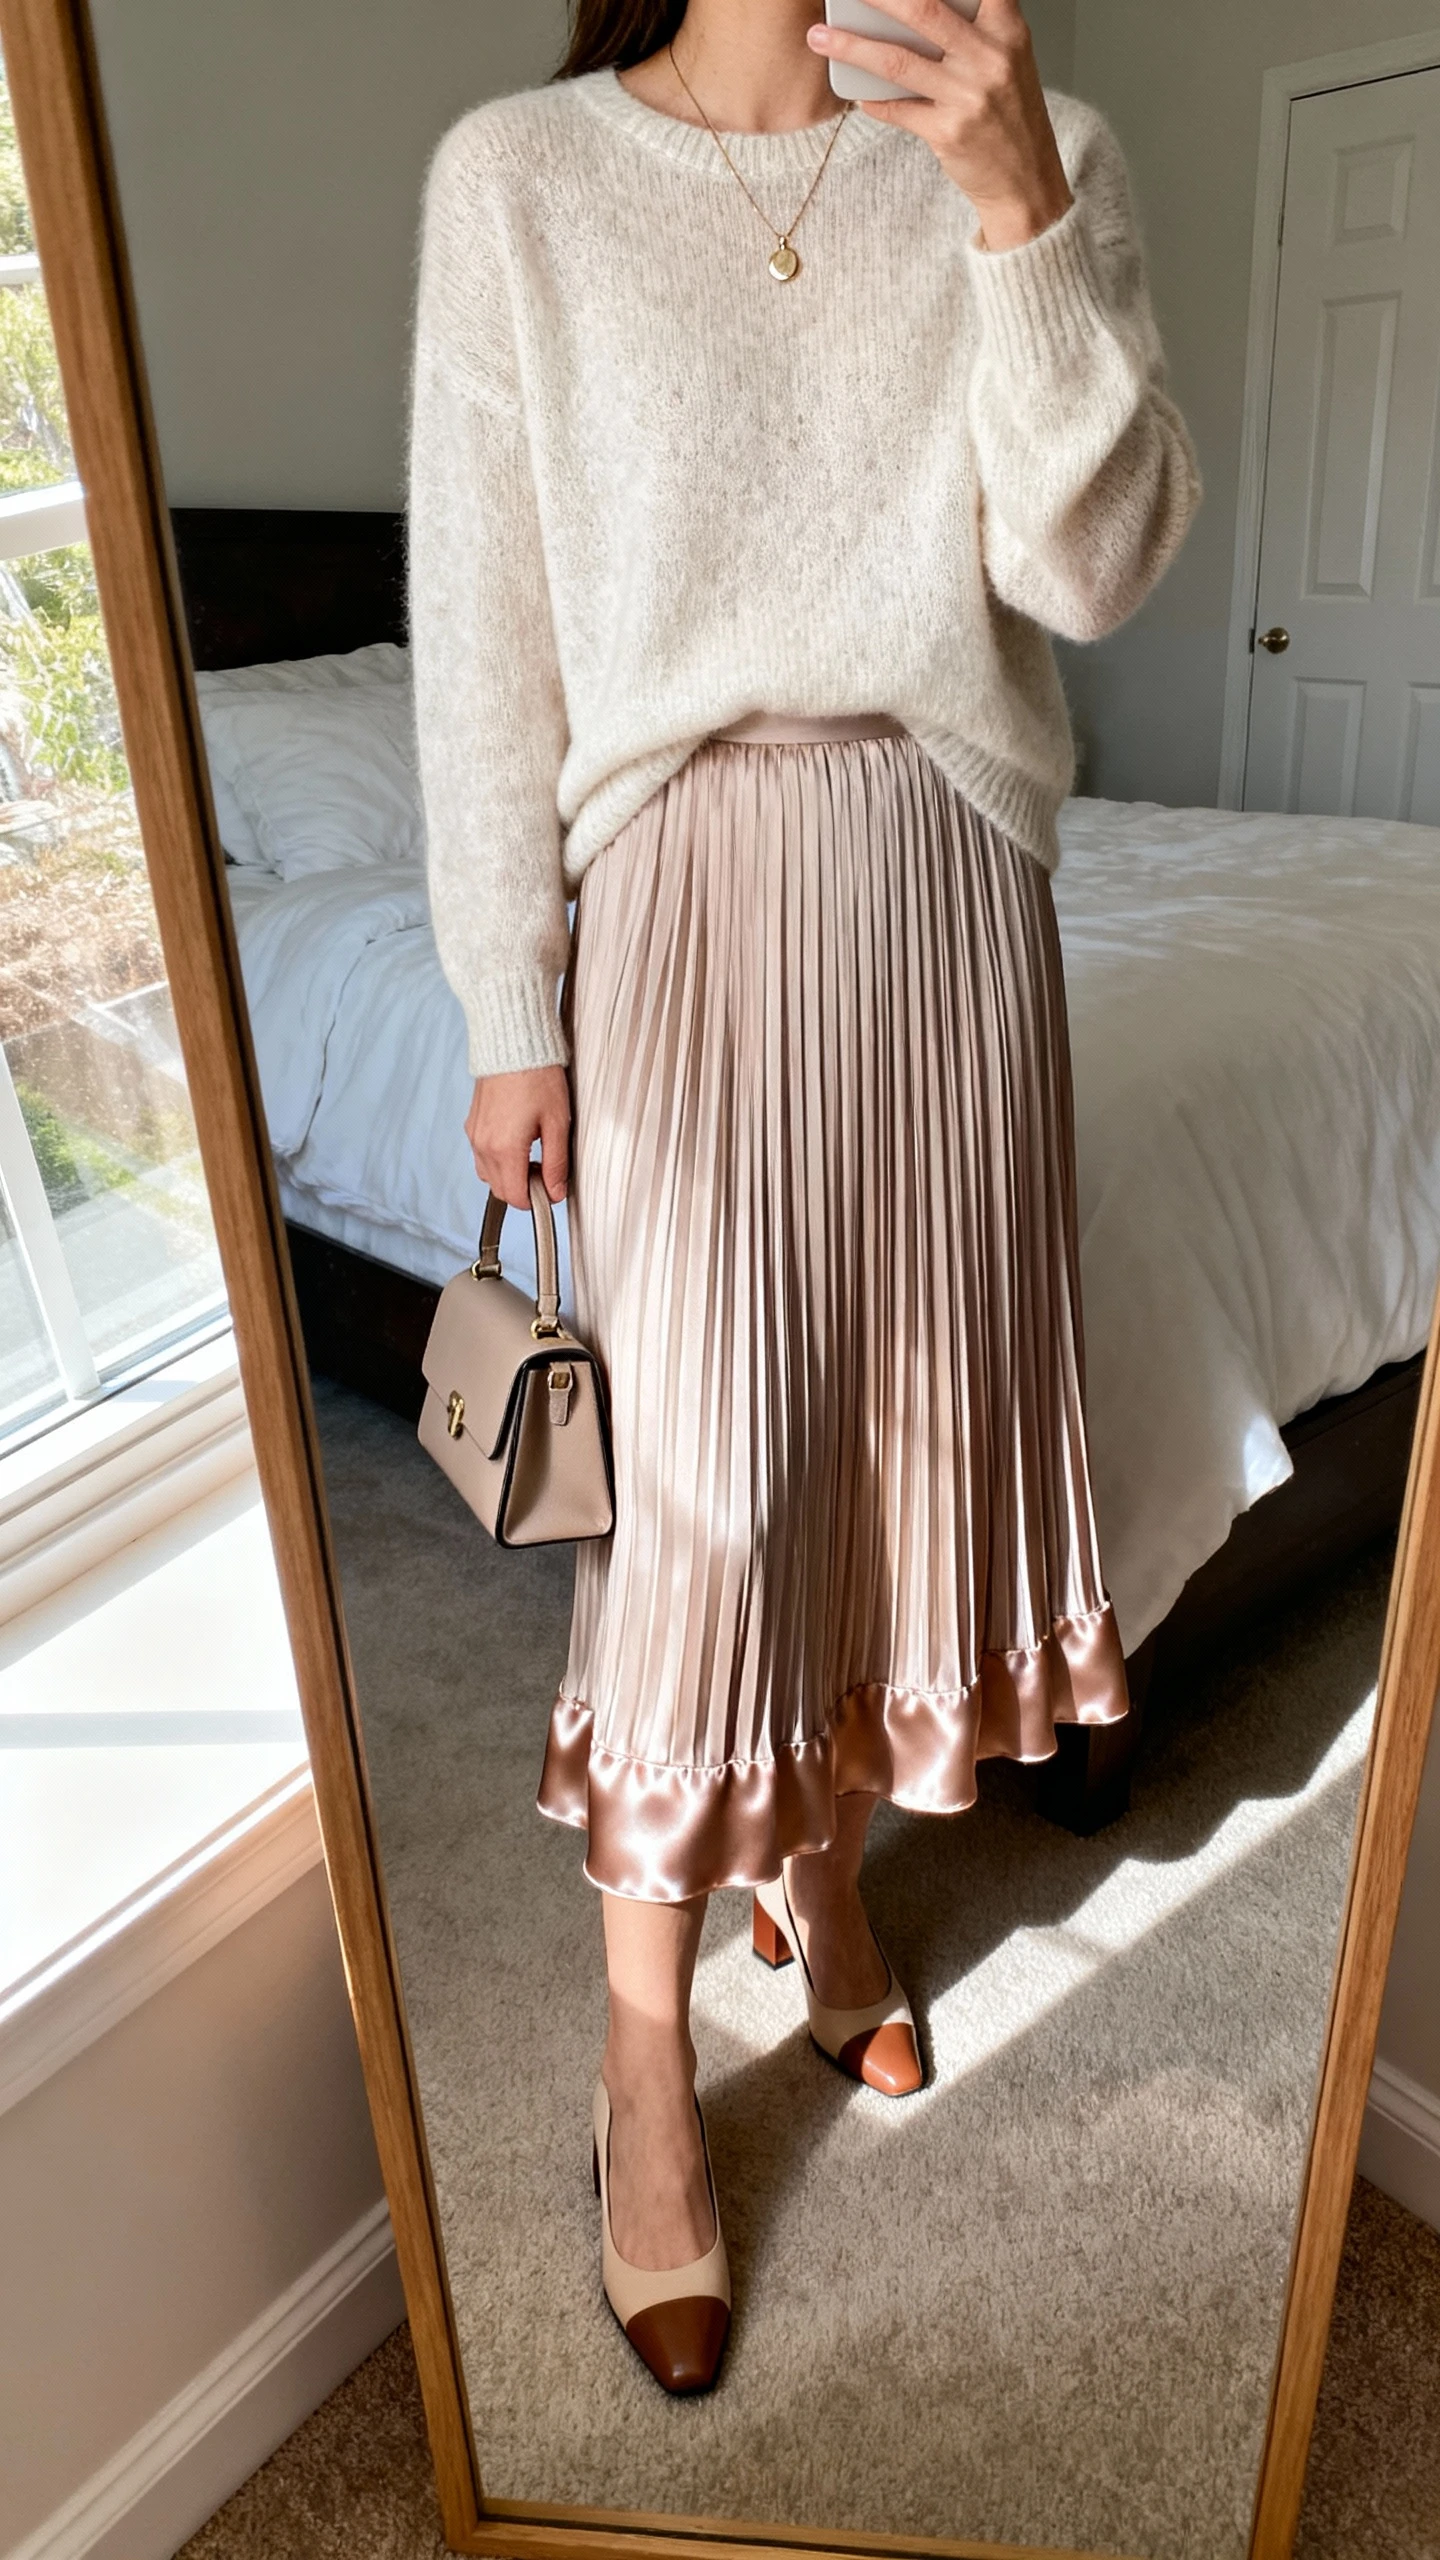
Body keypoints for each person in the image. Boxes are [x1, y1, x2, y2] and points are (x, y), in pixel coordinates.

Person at [408, 0, 1200, 2397]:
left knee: (895, 1456)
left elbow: (1097, 567)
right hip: (677, 910)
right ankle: (648, 2075)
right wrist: (505, 1003)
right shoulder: (520, 180)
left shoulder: (1042, 144)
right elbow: (485, 633)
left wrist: (1010, 209)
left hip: (954, 897)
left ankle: (829, 1887)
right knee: (709, 1510)